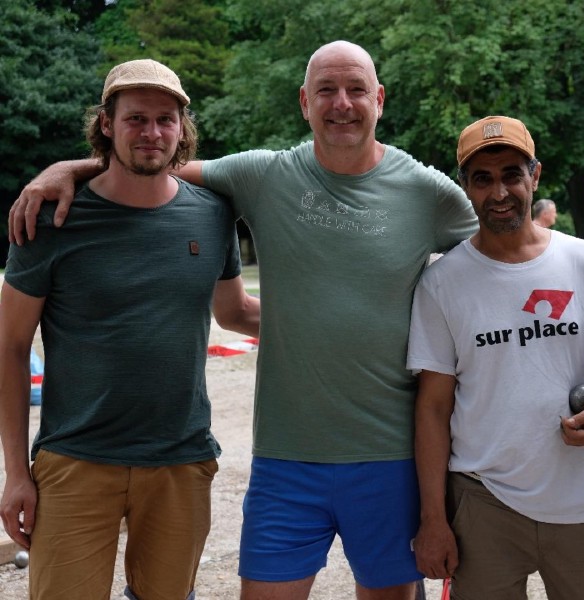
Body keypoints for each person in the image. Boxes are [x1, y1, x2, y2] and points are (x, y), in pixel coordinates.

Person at [8, 41, 477, 600]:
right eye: (326, 90)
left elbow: (502, 252)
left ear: (379, 98)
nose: (342, 103)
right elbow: (152, 164)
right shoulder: (262, 175)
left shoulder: (429, 193)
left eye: (356, 90)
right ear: (305, 102)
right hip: (278, 458)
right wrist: (68, 167)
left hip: (384, 453)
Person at [0, 59, 260, 600]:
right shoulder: (50, 218)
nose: (152, 133)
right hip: (74, 460)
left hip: (181, 461)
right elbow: (10, 346)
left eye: (166, 120)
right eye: (135, 119)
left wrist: (341, 312)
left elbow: (235, 313)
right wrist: (16, 473)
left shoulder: (212, 215)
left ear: (182, 129)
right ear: (106, 125)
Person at [408, 116, 584, 599]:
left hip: (579, 499)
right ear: (466, 188)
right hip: (482, 502)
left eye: (512, 175)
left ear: (534, 176)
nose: (499, 192)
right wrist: (433, 519)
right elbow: (433, 407)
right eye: (483, 178)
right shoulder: (442, 283)